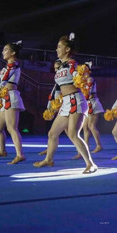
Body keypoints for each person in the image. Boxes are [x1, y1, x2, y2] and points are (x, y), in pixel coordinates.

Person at [34, 34, 97, 173]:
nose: (56, 49)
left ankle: (91, 164)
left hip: (76, 100)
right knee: (52, 133)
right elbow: (57, 88)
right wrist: (51, 105)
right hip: (66, 103)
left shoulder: (72, 64)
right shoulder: (61, 66)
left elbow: (77, 77)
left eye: (59, 47)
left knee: (73, 134)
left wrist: (80, 75)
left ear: (67, 49)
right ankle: (49, 159)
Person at [0, 41, 26, 164]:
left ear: (13, 53)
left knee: (12, 128)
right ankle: (2, 151)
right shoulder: (8, 66)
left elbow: (4, 81)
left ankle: (20, 155)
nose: (3, 52)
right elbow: (3, 83)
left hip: (11, 97)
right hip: (5, 98)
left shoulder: (13, 65)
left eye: (5, 50)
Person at [71, 61, 104, 159]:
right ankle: (85, 149)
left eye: (85, 69)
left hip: (93, 103)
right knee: (85, 127)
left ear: (88, 70)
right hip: (87, 104)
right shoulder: (82, 80)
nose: (83, 71)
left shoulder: (90, 79)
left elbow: (88, 93)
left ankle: (99, 145)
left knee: (91, 126)